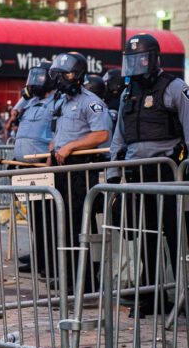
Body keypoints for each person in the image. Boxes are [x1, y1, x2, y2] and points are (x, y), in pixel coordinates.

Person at [108, 33, 189, 316]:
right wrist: (111, 177)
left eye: (141, 58)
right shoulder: (128, 93)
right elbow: (118, 140)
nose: (136, 65)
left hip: (167, 174)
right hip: (135, 175)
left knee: (176, 237)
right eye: (131, 60)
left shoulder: (175, 88)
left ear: (153, 58)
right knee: (146, 236)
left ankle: (183, 296)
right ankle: (152, 297)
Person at [47, 52, 110, 291]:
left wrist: (71, 146)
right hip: (61, 169)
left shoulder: (91, 102)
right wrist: (51, 155)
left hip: (80, 172)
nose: (62, 79)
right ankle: (69, 276)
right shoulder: (61, 101)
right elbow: (57, 134)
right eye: (59, 75)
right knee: (62, 224)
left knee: (79, 224)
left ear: (79, 75)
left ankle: (85, 281)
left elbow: (101, 135)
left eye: (67, 74)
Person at [11, 60, 56, 276]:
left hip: (43, 164)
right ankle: (39, 256)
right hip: (27, 165)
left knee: (47, 217)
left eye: (40, 77)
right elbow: (15, 111)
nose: (35, 81)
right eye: (34, 76)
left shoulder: (57, 101)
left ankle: (49, 260)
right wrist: (24, 95)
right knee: (36, 216)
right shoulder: (31, 101)